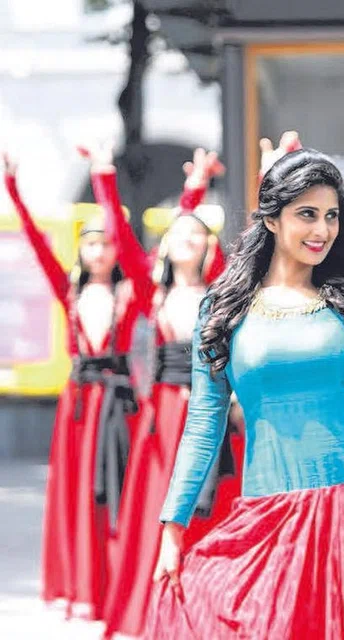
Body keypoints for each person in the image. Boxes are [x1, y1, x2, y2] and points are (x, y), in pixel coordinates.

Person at [146, 101, 344, 639]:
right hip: (270, 501)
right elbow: (203, 425)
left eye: (331, 215)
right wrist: (172, 524)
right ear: (272, 219)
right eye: (307, 214)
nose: (323, 229)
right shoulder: (222, 309)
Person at [96, 146, 241, 638]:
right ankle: (152, 609)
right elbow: (121, 236)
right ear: (165, 246)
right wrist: (104, 176)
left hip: (210, 410)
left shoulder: (221, 290)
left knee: (210, 505)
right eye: (179, 233)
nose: (187, 239)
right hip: (162, 416)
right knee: (160, 508)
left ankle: (205, 612)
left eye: (197, 234)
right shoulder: (150, 291)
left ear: (209, 246)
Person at [4, 150, 148, 620]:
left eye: (107, 244)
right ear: (81, 251)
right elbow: (36, 244)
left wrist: (104, 178)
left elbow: (130, 245)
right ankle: (80, 585)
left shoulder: (130, 292)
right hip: (80, 403)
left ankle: (112, 584)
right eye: (91, 244)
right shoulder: (69, 291)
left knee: (116, 491)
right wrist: (13, 191)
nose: (100, 252)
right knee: (78, 490)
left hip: (118, 401)